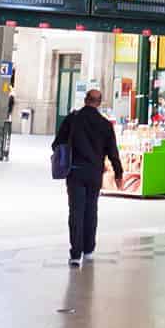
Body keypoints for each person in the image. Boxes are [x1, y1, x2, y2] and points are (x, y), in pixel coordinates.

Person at [53, 87, 123, 266]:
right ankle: (89, 249)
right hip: (94, 174)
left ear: (85, 100)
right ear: (99, 103)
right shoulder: (105, 125)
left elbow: (57, 144)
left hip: (75, 171)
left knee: (76, 212)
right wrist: (118, 173)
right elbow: (113, 152)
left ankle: (75, 254)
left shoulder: (73, 119)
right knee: (91, 210)